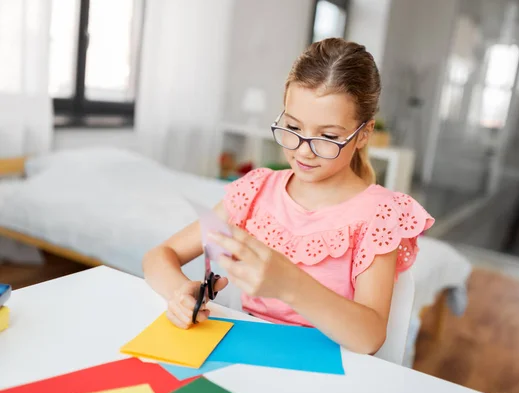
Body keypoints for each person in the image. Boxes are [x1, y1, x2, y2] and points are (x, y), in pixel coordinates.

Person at [143, 38, 434, 354]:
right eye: (293, 127)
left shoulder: (379, 214)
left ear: (363, 134)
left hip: (328, 369)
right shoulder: (257, 192)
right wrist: (180, 293)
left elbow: (369, 337)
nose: (303, 150)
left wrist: (289, 284)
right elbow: (158, 256)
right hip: (246, 354)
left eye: (328, 136)